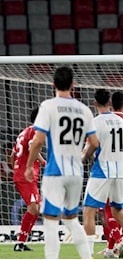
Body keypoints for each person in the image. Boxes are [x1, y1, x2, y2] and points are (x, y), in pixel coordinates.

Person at [24, 66, 98, 259]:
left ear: (53, 84)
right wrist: (82, 157)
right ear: (73, 85)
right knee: (71, 218)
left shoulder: (48, 106)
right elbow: (95, 143)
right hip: (76, 172)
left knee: (50, 220)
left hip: (55, 172)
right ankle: (88, 257)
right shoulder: (84, 109)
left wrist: (29, 165)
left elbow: (38, 140)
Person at [82, 89, 123, 259]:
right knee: (118, 212)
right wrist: (118, 155)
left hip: (102, 171)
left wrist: (82, 158)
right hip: (120, 172)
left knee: (89, 211)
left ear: (95, 103)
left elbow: (93, 145)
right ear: (109, 102)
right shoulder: (121, 121)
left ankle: (87, 255)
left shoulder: (95, 122)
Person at [97, 91, 123, 258]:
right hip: (122, 172)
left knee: (106, 210)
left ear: (111, 104)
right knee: (120, 209)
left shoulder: (104, 120)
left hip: (106, 170)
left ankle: (118, 243)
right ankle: (112, 247)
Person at [9, 107, 46, 251]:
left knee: (35, 208)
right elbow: (33, 148)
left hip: (22, 174)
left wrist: (16, 170)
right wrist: (43, 162)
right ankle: (20, 242)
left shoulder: (24, 132)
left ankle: (21, 242)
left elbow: (12, 155)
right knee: (33, 208)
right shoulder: (35, 131)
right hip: (26, 176)